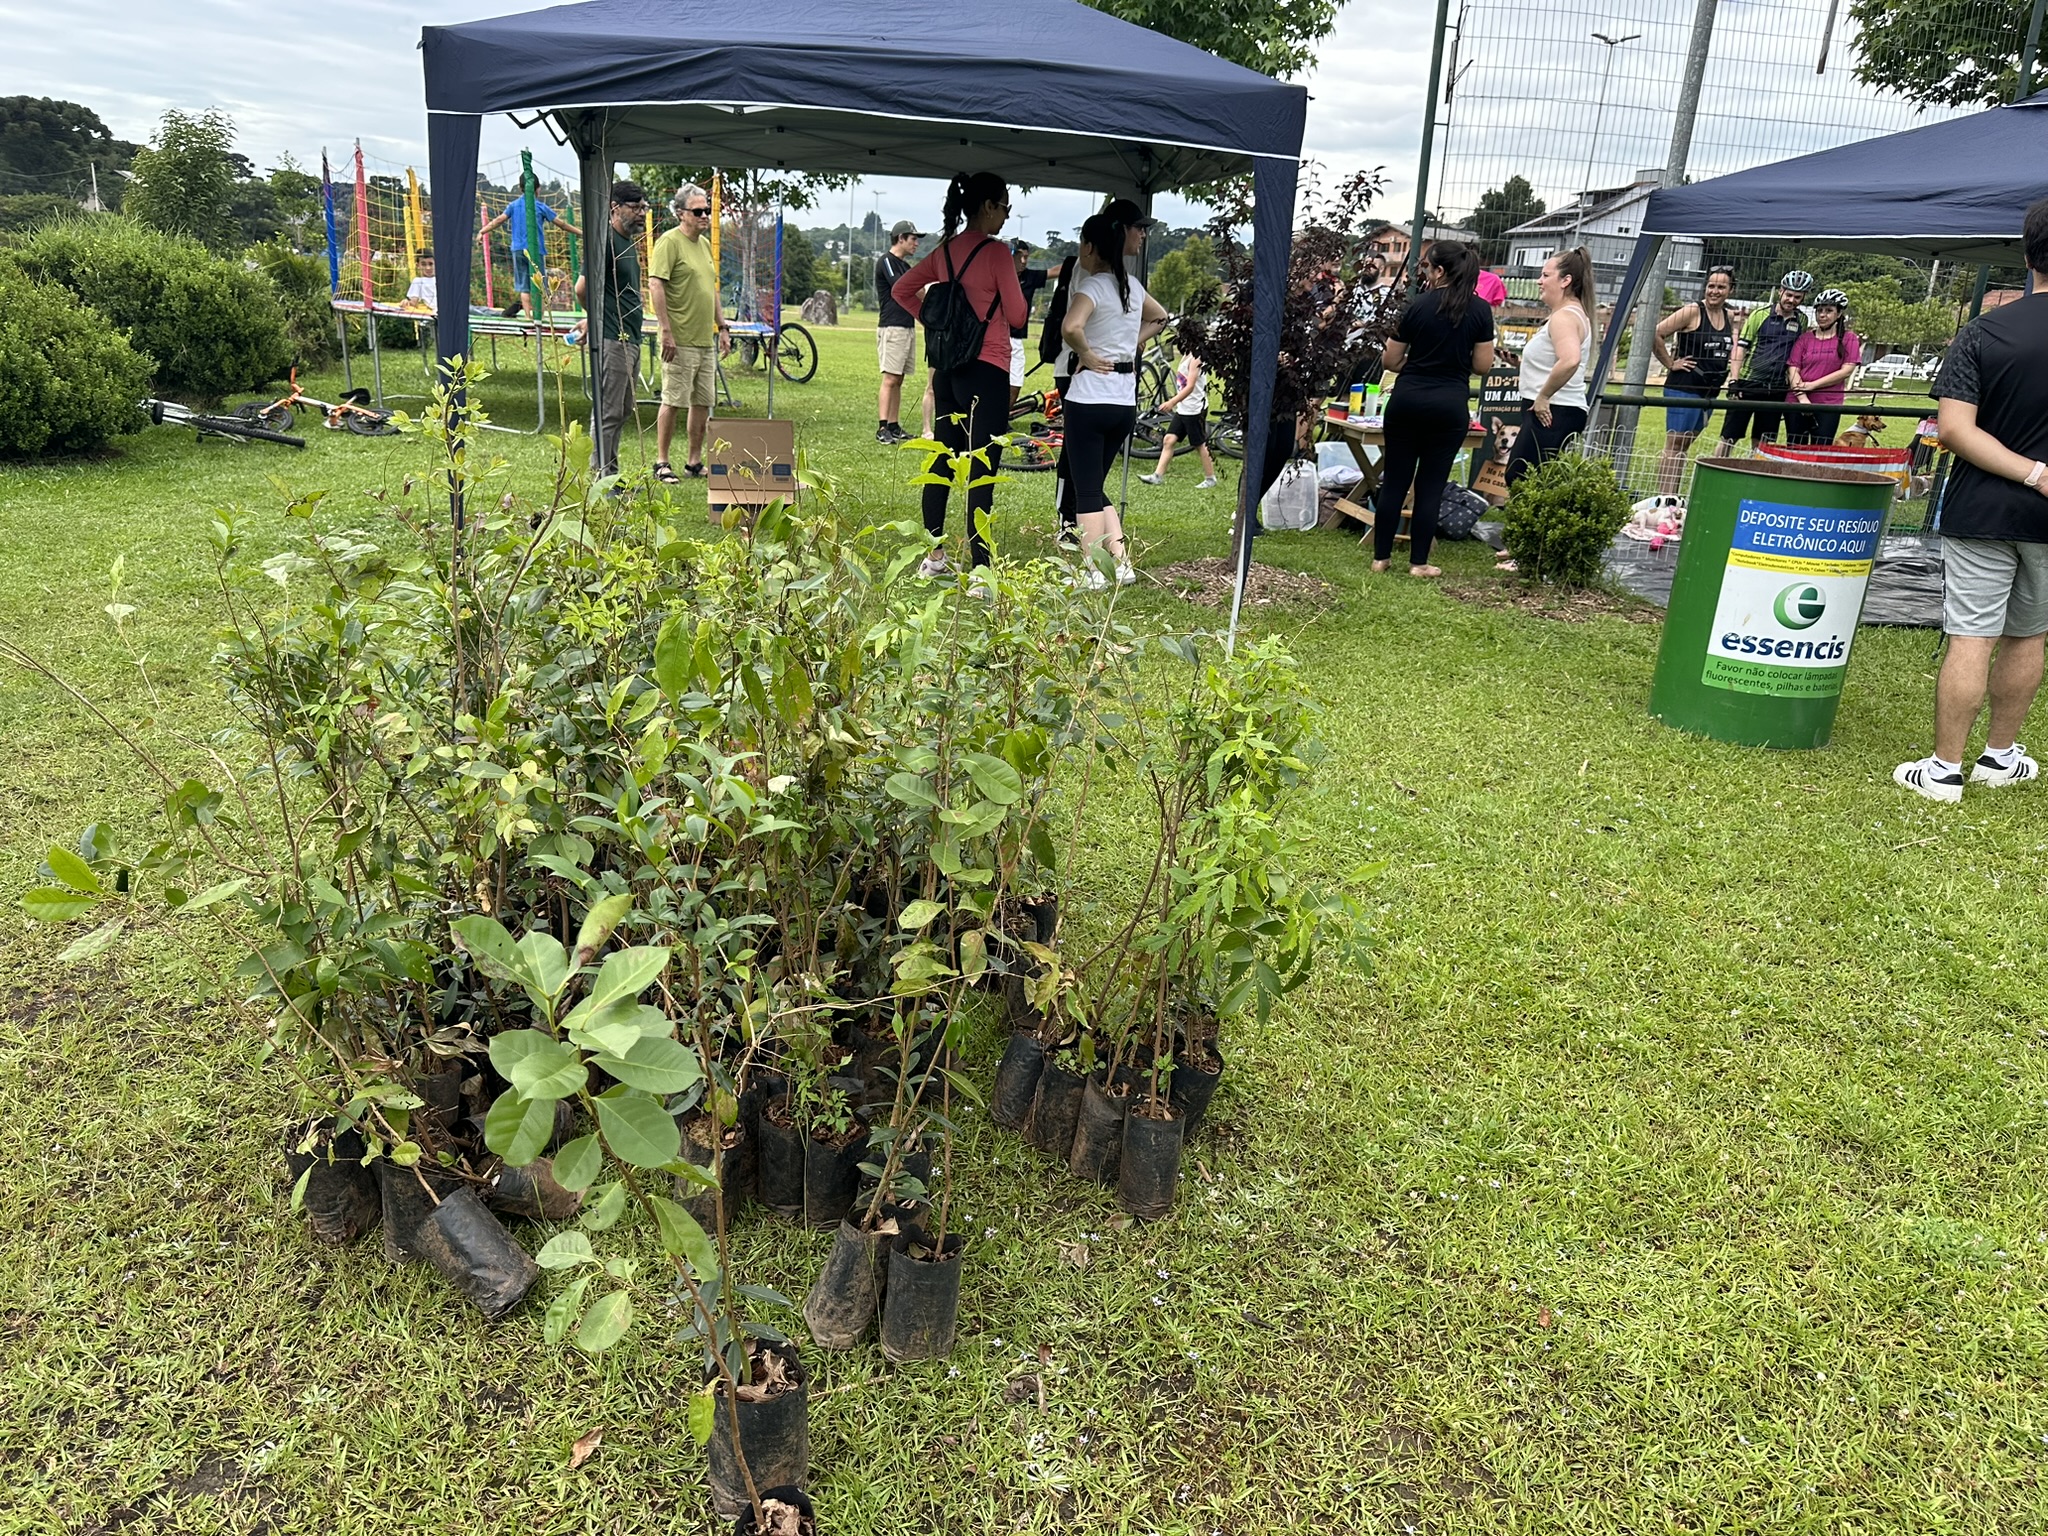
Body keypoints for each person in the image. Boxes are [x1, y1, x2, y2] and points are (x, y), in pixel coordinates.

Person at [1893, 198, 2048, 803]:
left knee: (1971, 636)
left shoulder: (1983, 331)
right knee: (2029, 635)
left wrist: (2032, 472)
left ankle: (1943, 769)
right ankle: (2001, 756)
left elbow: (1953, 430)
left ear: (2027, 251)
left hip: (1981, 508)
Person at [890, 171, 1028, 578]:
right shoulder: (997, 253)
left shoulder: (945, 251)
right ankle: (981, 570)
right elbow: (1018, 315)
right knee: (983, 469)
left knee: (942, 464)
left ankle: (934, 557)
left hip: (947, 371)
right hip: (987, 369)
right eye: (1005, 207)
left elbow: (902, 292)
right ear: (988, 206)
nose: (1006, 216)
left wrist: (936, 322)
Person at [1368, 240, 1495, 578]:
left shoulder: (1417, 306)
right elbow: (1483, 365)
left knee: (1395, 479)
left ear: (1440, 271)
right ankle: (1418, 562)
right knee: (1431, 485)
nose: (1424, 272)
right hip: (1449, 404)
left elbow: (1391, 359)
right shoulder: (1481, 311)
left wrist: (1419, 361)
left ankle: (1380, 558)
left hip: (1407, 399)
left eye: (1426, 267)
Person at [1060, 209, 1169, 587]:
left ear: (1091, 248)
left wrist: (1087, 354)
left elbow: (1071, 326)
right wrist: (1127, 348)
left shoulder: (1092, 287)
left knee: (1085, 488)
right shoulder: (1133, 288)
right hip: (1123, 401)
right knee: (1096, 483)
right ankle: (1120, 564)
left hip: (1089, 397)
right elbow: (1161, 318)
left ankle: (1092, 571)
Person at [647, 183, 730, 482]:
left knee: (702, 401)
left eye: (707, 209)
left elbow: (712, 288)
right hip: (678, 339)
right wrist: (666, 330)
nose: (705, 215)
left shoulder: (705, 244)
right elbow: (656, 285)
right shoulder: (669, 243)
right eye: (698, 211)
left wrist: (722, 327)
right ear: (681, 213)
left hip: (703, 339)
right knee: (673, 400)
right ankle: (661, 462)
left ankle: (694, 461)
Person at [572, 182, 648, 481]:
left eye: (644, 207)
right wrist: (598, 317)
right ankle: (602, 478)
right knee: (608, 412)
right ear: (615, 207)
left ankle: (612, 476)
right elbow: (582, 288)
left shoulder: (628, 241)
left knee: (623, 410)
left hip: (630, 337)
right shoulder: (604, 241)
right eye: (635, 207)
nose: (641, 213)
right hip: (613, 338)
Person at [1651, 265, 1735, 492]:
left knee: (1685, 444)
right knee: (1675, 444)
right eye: (1711, 286)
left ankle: (1672, 495)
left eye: (1721, 287)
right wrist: (1670, 363)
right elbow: (1656, 332)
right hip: (1684, 387)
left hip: (1709, 391)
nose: (1714, 291)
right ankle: (1665, 497)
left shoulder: (1729, 315)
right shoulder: (1692, 311)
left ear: (1730, 290)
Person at [1717, 270, 1811, 453]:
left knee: (1763, 442)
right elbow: (1741, 347)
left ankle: (1755, 477)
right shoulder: (1759, 315)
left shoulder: (1802, 320)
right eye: (1789, 294)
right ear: (1780, 291)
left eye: (1797, 297)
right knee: (1729, 437)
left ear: (1804, 297)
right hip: (1749, 383)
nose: (1791, 300)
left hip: (1776, 388)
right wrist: (1734, 380)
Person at [1138, 332, 1219, 489]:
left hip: (1194, 409)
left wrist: (1171, 401)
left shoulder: (1197, 358)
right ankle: (1157, 476)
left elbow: (1190, 387)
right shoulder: (1187, 354)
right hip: (1184, 408)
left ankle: (1210, 478)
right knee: (1169, 439)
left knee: (1199, 444)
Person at [479, 195, 581, 318]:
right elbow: (562, 224)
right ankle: (540, 318)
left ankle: (528, 317)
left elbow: (499, 220)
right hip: (535, 249)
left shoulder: (514, 205)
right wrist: (581, 233)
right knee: (540, 286)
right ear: (537, 189)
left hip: (518, 250)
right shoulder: (539, 206)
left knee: (524, 286)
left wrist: (482, 231)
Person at [1041, 251, 1082, 550]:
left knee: (1085, 447)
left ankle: (1079, 516)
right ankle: (1067, 520)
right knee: (1075, 446)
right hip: (1072, 368)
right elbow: (1073, 324)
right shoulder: (1085, 271)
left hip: (1089, 371)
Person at [1785, 288, 1862, 445]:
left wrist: (1812, 386)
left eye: (1828, 310)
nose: (1822, 314)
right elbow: (1793, 368)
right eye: (1819, 310)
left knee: (1821, 449)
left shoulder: (1849, 339)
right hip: (1797, 401)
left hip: (1828, 404)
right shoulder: (1805, 338)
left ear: (1839, 314)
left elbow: (1846, 370)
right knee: (1794, 446)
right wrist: (1803, 398)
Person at [874, 219, 923, 443]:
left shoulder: (905, 265)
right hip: (892, 326)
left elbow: (920, 291)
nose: (916, 244)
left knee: (899, 378)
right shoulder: (887, 261)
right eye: (913, 239)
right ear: (900, 238)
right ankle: (882, 427)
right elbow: (903, 286)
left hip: (907, 326)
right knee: (890, 378)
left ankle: (894, 424)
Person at [1008, 239, 1047, 409]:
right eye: (1019, 256)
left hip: (1016, 337)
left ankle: (1002, 417)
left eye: (1026, 257)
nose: (1023, 261)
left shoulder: (1030, 276)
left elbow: (1054, 271)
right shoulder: (998, 274)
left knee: (1015, 382)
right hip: (996, 337)